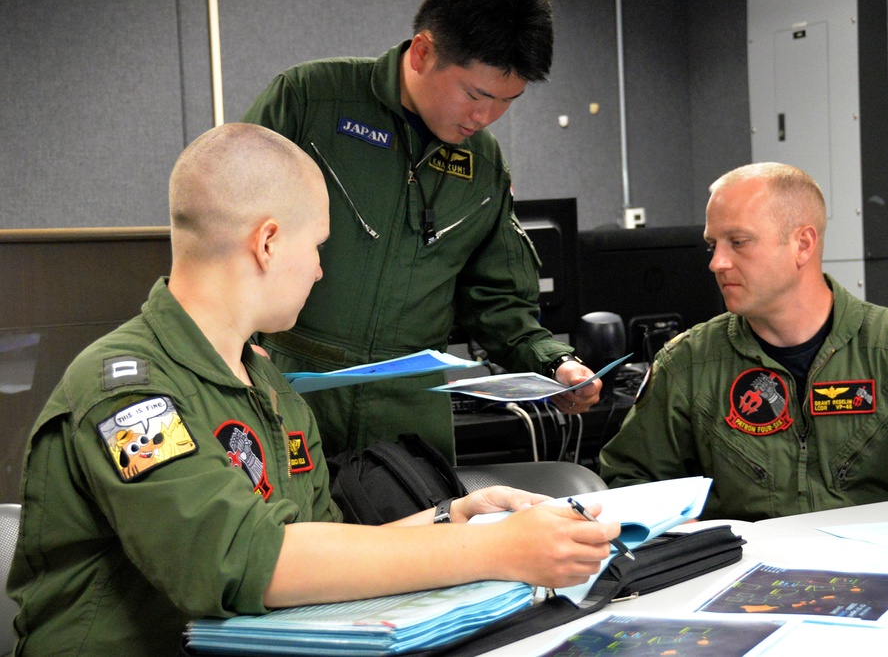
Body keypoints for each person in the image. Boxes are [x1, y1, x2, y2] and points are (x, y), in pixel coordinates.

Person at [5, 123, 619, 657]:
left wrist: (449, 517)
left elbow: (314, 551)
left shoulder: (266, 382)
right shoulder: (128, 393)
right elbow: (246, 560)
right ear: (267, 242)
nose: (321, 270)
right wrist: (498, 552)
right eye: (318, 247)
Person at [241, 0, 600, 463]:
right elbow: (228, 236)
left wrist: (555, 364)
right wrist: (235, 354)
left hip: (409, 422)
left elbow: (498, 301)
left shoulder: (483, 164)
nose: (486, 116)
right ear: (422, 53)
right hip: (291, 396)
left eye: (507, 101)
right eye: (475, 93)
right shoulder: (310, 102)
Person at [599, 162, 888, 521]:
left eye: (738, 242)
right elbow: (631, 480)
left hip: (881, 576)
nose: (717, 262)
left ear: (803, 245)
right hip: (743, 584)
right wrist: (676, 525)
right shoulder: (689, 364)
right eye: (712, 244)